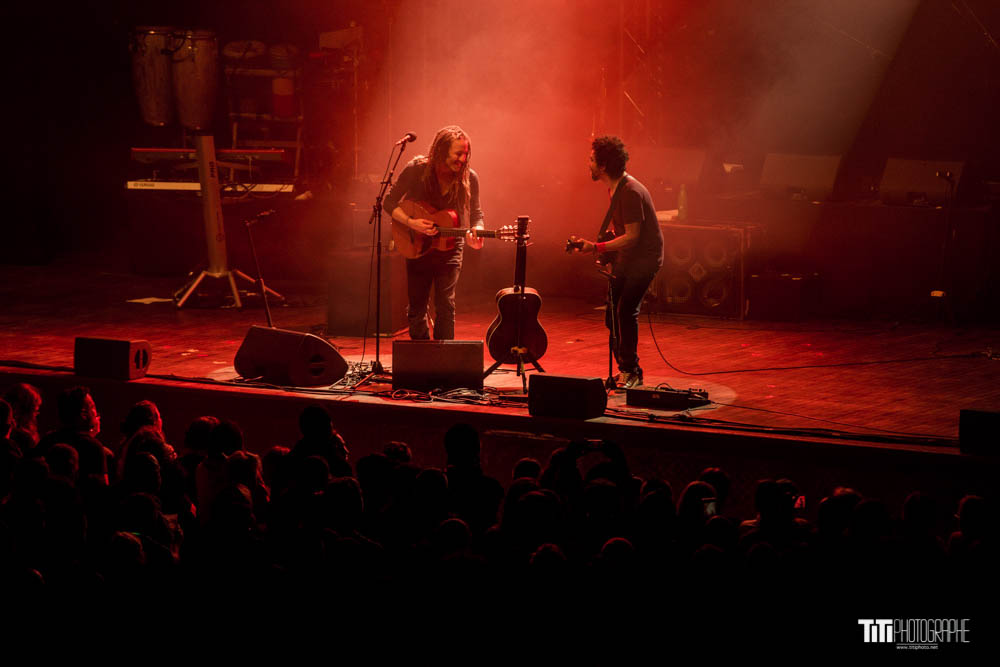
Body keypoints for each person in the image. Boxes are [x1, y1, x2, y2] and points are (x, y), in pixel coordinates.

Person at [569, 135, 663, 388]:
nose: (587, 164)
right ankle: (625, 369)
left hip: (644, 260)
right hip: (629, 258)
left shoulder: (630, 192)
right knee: (612, 313)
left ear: (603, 166)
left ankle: (632, 371)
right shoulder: (617, 188)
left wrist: (596, 247)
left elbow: (632, 237)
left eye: (591, 160)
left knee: (625, 311)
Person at [383, 125, 485, 340]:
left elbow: (476, 214)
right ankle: (421, 355)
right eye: (458, 153)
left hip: (450, 248)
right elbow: (389, 202)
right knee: (417, 306)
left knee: (446, 305)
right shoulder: (416, 170)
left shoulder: (469, 177)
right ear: (441, 150)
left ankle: (443, 355)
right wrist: (412, 223)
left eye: (466, 154)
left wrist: (478, 231)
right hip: (417, 244)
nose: (462, 159)